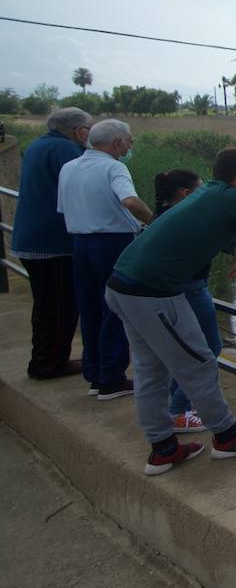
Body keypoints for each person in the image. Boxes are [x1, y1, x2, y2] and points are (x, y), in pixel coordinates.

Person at [104, 147, 236, 475]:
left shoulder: (208, 192)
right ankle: (228, 438)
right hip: (153, 294)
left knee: (149, 371)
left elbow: (218, 229)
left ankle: (163, 450)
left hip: (121, 284)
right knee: (198, 364)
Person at [57, 118, 153, 399]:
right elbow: (130, 201)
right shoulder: (114, 167)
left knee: (89, 308)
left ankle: (95, 374)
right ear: (117, 142)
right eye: (129, 140)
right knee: (115, 308)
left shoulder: (69, 167)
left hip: (80, 243)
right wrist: (156, 222)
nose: (131, 145)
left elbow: (64, 208)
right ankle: (112, 378)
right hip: (113, 243)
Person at [12, 107, 92, 380]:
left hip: (31, 238)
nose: (90, 135)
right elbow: (85, 185)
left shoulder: (39, 145)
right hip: (53, 243)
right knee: (61, 307)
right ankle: (49, 364)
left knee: (47, 305)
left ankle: (44, 359)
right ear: (77, 131)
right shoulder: (65, 150)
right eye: (89, 129)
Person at [153, 169, 219, 433]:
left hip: (170, 293)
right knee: (208, 348)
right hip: (190, 291)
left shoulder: (162, 217)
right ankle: (179, 411)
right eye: (200, 189)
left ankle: (178, 409)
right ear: (185, 194)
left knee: (179, 352)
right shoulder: (183, 220)